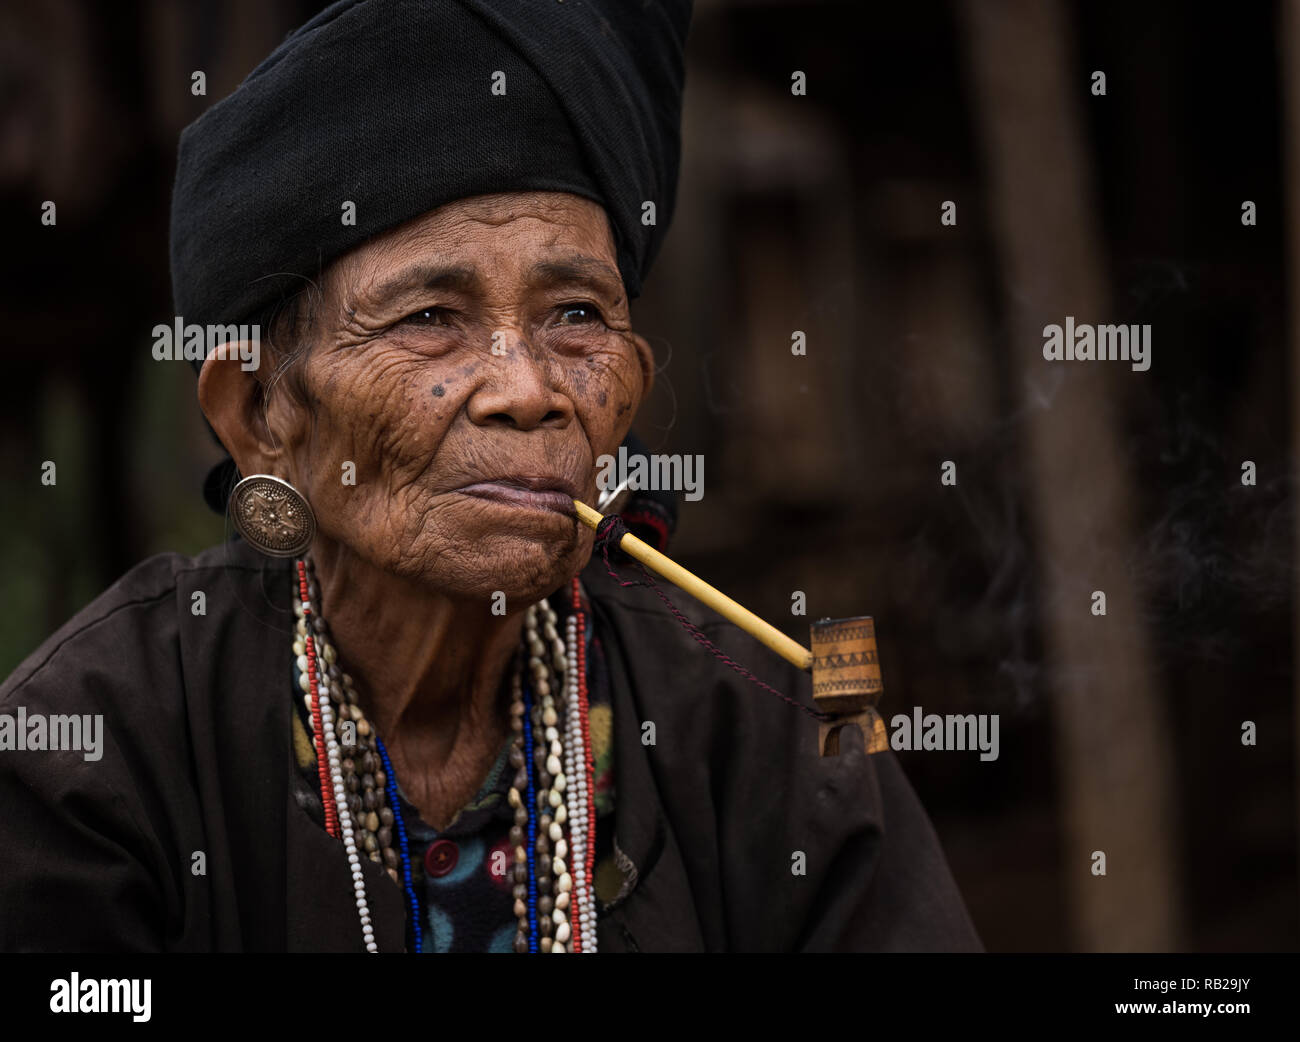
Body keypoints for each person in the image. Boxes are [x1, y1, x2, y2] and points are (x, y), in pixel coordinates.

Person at [0, 0, 981, 953]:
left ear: (630, 387)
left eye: (577, 315)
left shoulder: (773, 726)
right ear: (260, 414)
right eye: (430, 316)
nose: (526, 389)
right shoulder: (89, 753)